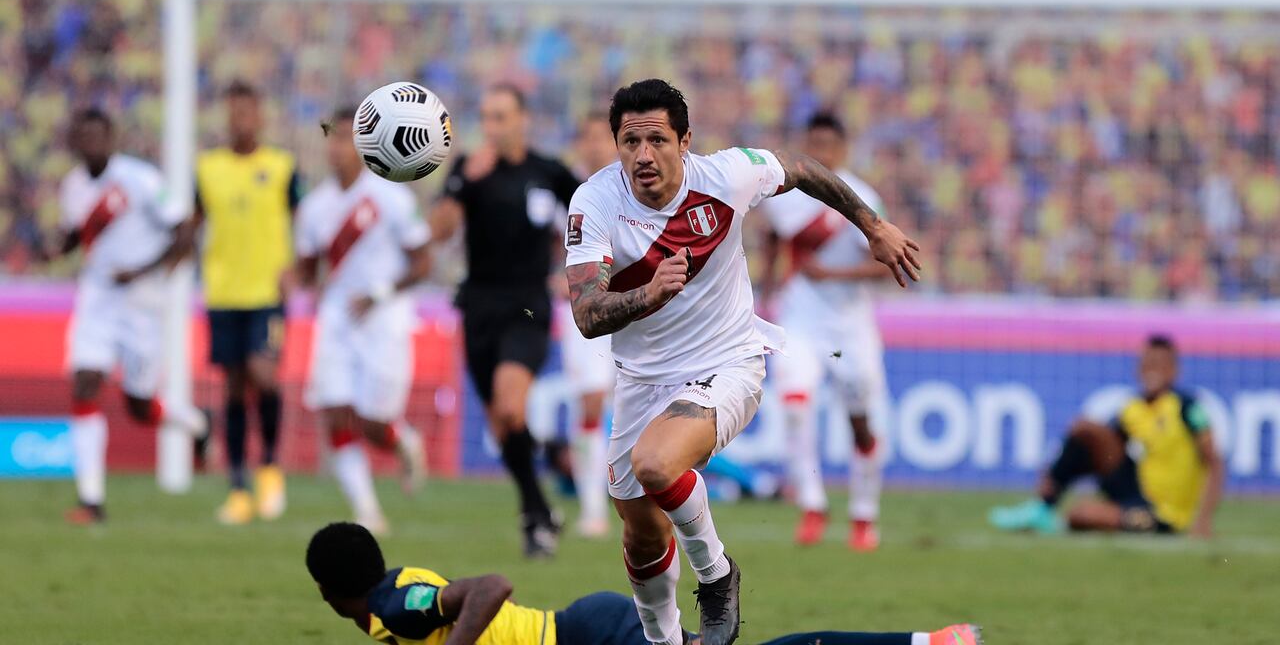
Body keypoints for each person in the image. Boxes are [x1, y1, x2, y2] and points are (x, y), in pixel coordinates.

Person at [563, 79, 921, 645]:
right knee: (641, 535)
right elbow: (586, 312)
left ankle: (716, 574)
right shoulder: (594, 202)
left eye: (657, 140)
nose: (643, 155)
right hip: (641, 381)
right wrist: (647, 296)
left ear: (685, 141)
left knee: (657, 465)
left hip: (728, 363)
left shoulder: (727, 175)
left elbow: (801, 168)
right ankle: (666, 641)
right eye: (630, 142)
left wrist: (872, 227)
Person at [305, 522, 982, 645]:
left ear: (332, 592)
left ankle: (931, 640)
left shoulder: (398, 606)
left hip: (588, 636)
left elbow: (492, 586)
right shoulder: (397, 594)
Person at [430, 83, 581, 558]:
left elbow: (592, 218)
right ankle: (539, 509)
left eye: (501, 117)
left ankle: (537, 511)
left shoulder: (549, 173)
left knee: (511, 407)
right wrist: (461, 184)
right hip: (478, 306)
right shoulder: (468, 171)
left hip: (529, 306)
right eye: (487, 117)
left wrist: (573, 274)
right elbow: (437, 232)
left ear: (522, 120)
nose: (492, 127)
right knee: (501, 423)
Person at [53, 108, 209, 524]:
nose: (90, 143)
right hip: (98, 297)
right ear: (74, 141)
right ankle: (91, 499)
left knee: (139, 407)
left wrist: (142, 271)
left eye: (97, 135)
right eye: (82, 136)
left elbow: (183, 229)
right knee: (86, 381)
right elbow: (75, 234)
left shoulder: (141, 179)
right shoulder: (71, 186)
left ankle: (194, 423)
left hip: (142, 302)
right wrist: (57, 247)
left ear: (111, 137)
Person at [294, 107, 433, 535]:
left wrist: (381, 293)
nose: (337, 148)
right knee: (335, 413)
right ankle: (367, 510)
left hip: (385, 320)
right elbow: (305, 269)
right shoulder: (315, 208)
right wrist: (297, 283)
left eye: (346, 139)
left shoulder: (392, 198)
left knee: (373, 423)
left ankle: (403, 441)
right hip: (337, 320)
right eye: (332, 138)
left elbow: (423, 262)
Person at [759, 113, 893, 551]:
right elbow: (772, 242)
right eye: (814, 143)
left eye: (830, 145)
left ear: (843, 149)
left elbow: (885, 265)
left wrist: (833, 275)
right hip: (799, 320)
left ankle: (863, 515)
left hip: (851, 328)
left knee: (861, 424)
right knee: (795, 405)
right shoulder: (785, 193)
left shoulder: (863, 197)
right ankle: (813, 506)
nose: (822, 153)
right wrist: (763, 296)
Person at [989, 335, 1224, 536]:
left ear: (1173, 370)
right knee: (1085, 430)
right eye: (1147, 363)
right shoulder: (1133, 408)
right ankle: (1043, 506)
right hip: (1135, 491)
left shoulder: (1188, 407)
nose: (1151, 370)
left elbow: (1214, 461)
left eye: (1159, 364)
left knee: (1080, 515)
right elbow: (1103, 449)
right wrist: (1052, 472)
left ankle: (1069, 518)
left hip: (1165, 513)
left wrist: (1203, 519)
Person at [195, 80, 300, 525]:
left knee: (265, 374)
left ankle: (270, 467)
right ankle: (238, 487)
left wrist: (296, 267)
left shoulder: (282, 166)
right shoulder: (207, 168)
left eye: (247, 112)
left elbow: (304, 220)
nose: (240, 120)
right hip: (222, 292)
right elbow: (193, 221)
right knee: (234, 386)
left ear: (260, 117)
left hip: (266, 293)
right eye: (233, 112)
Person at [556, 112, 619, 538]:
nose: (594, 145)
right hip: (586, 309)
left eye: (602, 137)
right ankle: (594, 509)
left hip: (635, 307)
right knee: (592, 404)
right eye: (587, 137)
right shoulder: (565, 192)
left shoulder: (631, 188)